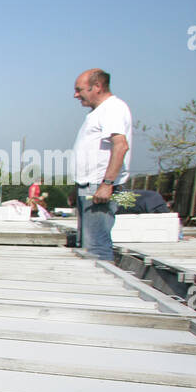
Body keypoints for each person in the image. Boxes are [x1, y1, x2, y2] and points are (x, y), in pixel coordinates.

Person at [71, 68, 132, 261]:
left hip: (98, 187)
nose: (76, 95)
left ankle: (102, 286)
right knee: (88, 245)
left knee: (97, 247)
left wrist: (107, 184)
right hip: (90, 186)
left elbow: (120, 146)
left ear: (97, 87)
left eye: (79, 89)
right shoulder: (99, 112)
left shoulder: (112, 108)